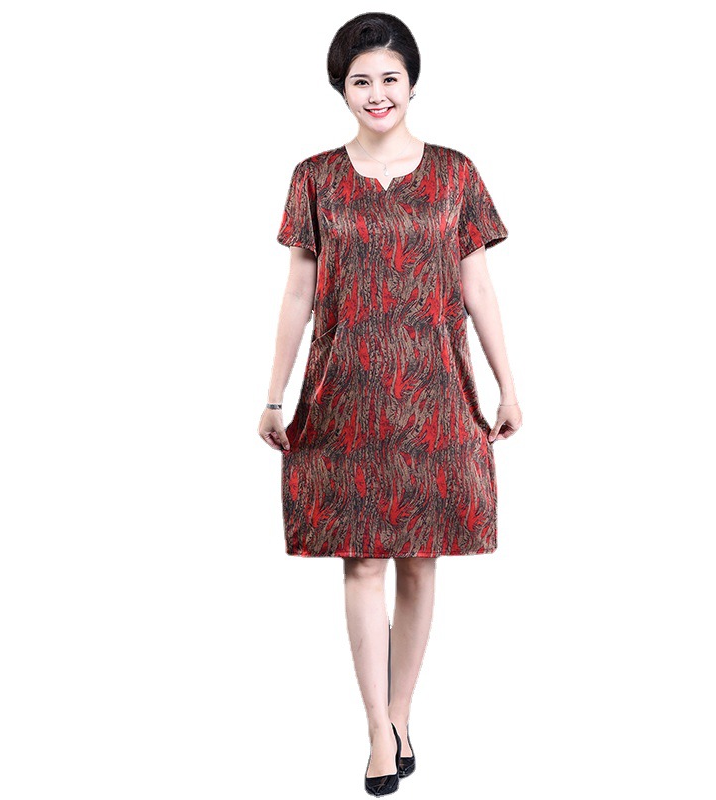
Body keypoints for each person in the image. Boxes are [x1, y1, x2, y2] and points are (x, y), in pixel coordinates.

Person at [259, 12, 522, 796]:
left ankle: (402, 709)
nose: (377, 93)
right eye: (360, 81)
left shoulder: (456, 174)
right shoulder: (314, 177)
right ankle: (377, 726)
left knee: (420, 558)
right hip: (345, 396)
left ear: (412, 82)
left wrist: (509, 385)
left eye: (390, 78)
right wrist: (272, 395)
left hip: (436, 393)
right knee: (362, 558)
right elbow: (298, 294)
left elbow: (478, 289)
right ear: (341, 89)